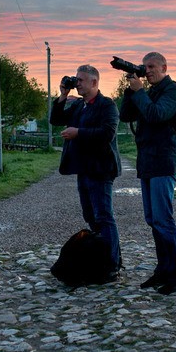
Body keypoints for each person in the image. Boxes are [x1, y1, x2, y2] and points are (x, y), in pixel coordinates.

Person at [119, 52, 176, 295]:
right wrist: (131, 90)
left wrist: (139, 92)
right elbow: (126, 116)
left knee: (163, 219)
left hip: (164, 161)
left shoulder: (174, 91)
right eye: (145, 67)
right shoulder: (148, 92)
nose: (147, 70)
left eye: (151, 67)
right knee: (153, 219)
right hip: (148, 162)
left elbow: (155, 114)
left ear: (164, 67)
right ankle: (164, 270)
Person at [50, 64, 122, 281]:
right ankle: (100, 259)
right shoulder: (79, 105)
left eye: (80, 80)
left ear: (94, 82)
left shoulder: (107, 105)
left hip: (101, 169)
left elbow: (107, 133)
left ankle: (112, 263)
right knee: (90, 216)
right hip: (84, 169)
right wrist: (63, 95)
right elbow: (56, 120)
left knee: (104, 216)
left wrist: (78, 132)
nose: (77, 83)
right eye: (76, 79)